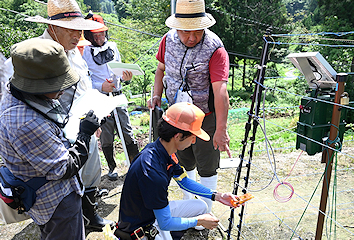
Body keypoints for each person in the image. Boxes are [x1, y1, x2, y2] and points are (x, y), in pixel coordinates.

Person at [24, 0, 114, 230]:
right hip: (57, 130)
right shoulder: (38, 53)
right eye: (71, 29)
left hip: (85, 123)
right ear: (53, 28)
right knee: (66, 178)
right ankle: (70, 220)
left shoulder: (74, 51)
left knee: (91, 170)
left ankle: (89, 214)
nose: (78, 35)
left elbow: (84, 85)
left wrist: (94, 119)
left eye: (80, 28)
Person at [0, 38, 100, 239]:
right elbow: (64, 168)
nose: (62, 90)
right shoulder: (26, 123)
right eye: (56, 84)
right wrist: (85, 134)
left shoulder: (18, 93)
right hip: (55, 201)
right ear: (34, 85)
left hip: (47, 197)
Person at [147, 0, 231, 212]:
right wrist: (156, 94)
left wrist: (221, 130)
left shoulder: (215, 48)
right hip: (176, 114)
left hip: (205, 116)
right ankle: (190, 206)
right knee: (183, 160)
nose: (192, 37)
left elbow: (221, 91)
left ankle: (206, 213)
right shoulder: (167, 41)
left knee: (207, 163)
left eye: (198, 31)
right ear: (176, 27)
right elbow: (160, 70)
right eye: (186, 32)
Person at [114, 102, 240, 240]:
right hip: (138, 230)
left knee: (200, 206)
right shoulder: (152, 172)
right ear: (178, 136)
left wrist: (218, 196)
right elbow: (165, 223)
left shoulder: (163, 151)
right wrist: (199, 221)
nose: (193, 142)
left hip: (152, 214)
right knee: (177, 222)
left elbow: (184, 182)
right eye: (193, 137)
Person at [83, 13, 139, 180]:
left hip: (117, 95)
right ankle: (112, 168)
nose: (100, 37)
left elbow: (120, 70)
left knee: (127, 131)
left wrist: (125, 78)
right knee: (106, 135)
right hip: (100, 98)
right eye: (96, 34)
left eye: (102, 33)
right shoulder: (84, 51)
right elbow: (84, 79)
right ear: (89, 35)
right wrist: (101, 86)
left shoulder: (113, 46)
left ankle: (135, 165)